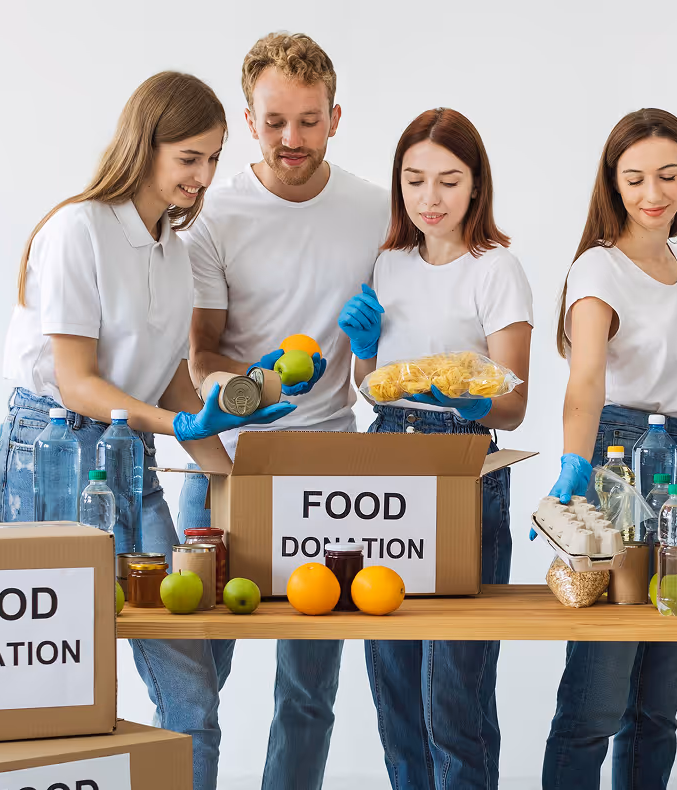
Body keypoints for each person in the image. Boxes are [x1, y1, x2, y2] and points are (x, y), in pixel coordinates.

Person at [0, 71, 293, 789]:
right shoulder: (78, 230)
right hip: (49, 456)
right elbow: (78, 381)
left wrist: (231, 471)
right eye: (190, 158)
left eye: (214, 158)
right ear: (144, 145)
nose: (204, 176)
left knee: (191, 697)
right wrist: (183, 418)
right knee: (45, 687)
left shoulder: (174, 251)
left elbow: (175, 387)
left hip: (129, 458)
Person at [182, 32, 390, 790]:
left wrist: (369, 353)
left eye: (308, 120)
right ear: (247, 120)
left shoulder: (375, 209)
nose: (291, 139)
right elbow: (200, 355)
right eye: (274, 122)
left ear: (336, 117)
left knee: (309, 692)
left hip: (330, 465)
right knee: (196, 680)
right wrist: (253, 385)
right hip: (224, 463)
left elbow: (374, 372)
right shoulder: (215, 215)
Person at [543, 108, 677, 790]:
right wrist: (575, 467)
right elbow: (586, 383)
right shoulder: (598, 269)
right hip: (620, 465)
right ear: (612, 183)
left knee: (659, 704)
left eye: (668, 174)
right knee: (598, 697)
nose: (653, 192)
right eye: (635, 178)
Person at [338, 107, 532, 790]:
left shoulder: (496, 269)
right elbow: (374, 388)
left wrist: (472, 402)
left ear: (476, 186)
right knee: (391, 674)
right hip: (385, 460)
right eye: (415, 180)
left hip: (463, 467)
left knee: (455, 684)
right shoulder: (387, 264)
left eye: (449, 181)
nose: (431, 198)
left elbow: (513, 403)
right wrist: (363, 355)